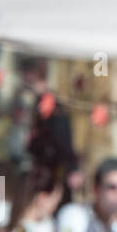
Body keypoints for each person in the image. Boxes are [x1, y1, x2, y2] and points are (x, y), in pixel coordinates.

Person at [19, 57, 82, 203]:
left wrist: (73, 168)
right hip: (39, 169)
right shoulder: (32, 103)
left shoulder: (50, 106)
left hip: (51, 173)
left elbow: (63, 140)